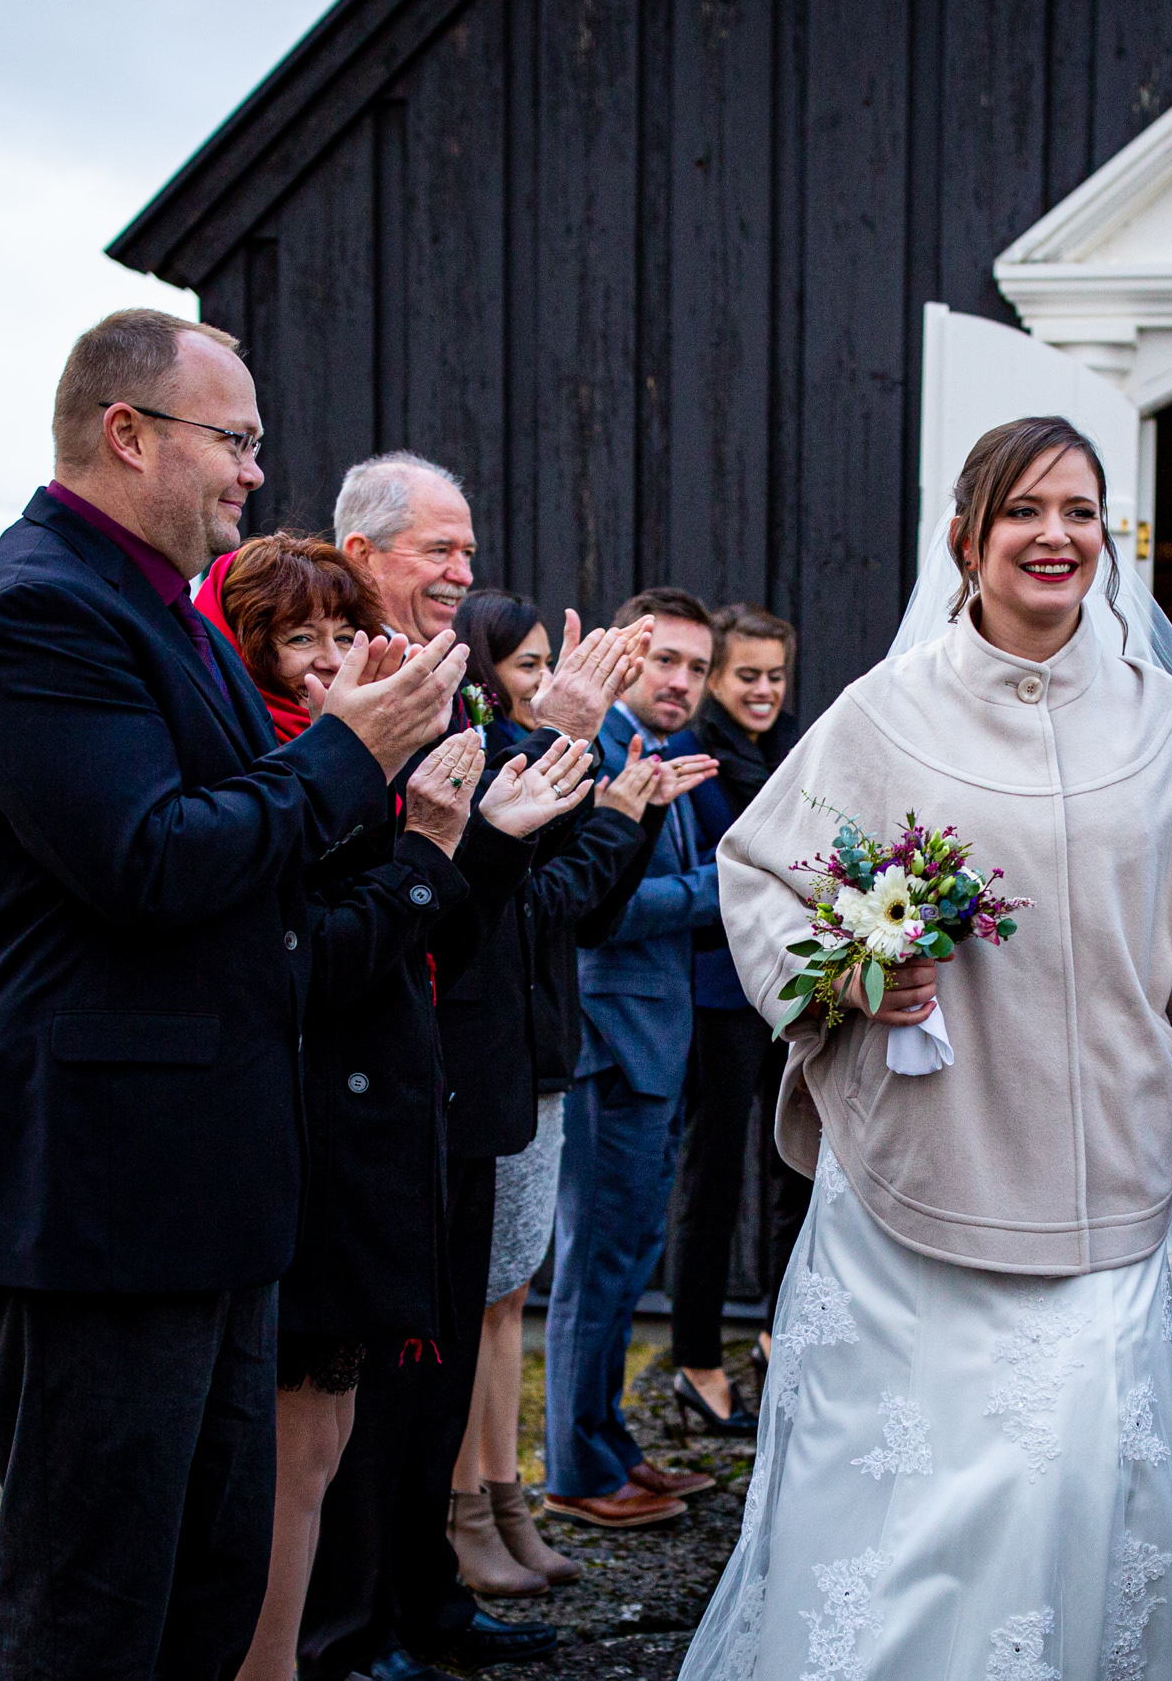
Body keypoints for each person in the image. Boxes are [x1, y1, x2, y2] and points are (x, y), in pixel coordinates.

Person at [682, 415, 1172, 1681]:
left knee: (1081, 1479)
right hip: (917, 1175)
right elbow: (761, 875)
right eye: (1025, 511)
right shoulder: (882, 714)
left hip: (1107, 1179)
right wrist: (856, 978)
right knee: (906, 1498)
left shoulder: (1168, 731)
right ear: (966, 540)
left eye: (1080, 512)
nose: (1056, 535)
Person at [0, 308, 461, 1678]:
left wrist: (409, 793)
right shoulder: (37, 608)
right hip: (102, 1202)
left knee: (208, 1592)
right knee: (96, 1613)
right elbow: (150, 861)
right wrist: (352, 752)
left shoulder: (160, 607)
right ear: (128, 434)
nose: (252, 474)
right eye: (234, 441)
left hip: (217, 1191)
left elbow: (263, 863)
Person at [197, 532, 600, 1681]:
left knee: (324, 1449)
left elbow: (428, 934)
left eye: (340, 637)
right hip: (309, 1138)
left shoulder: (356, 761)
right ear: (246, 651)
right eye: (296, 640)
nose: (324, 663)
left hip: (386, 1122)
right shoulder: (270, 768)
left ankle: (356, 1625)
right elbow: (322, 958)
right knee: (287, 1465)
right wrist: (436, 840)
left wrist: (487, 846)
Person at [439, 589, 689, 1596]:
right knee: (485, 1303)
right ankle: (466, 1513)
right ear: (483, 673)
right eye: (528, 665)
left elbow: (575, 913)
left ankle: (503, 1498)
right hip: (497, 1055)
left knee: (511, 1301)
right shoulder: (490, 765)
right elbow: (534, 903)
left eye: (552, 663)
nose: (546, 683)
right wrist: (615, 815)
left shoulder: (539, 761)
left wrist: (623, 816)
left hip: (542, 1047)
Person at [543, 588, 724, 1528]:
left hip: (654, 1041)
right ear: (628, 657)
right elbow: (598, 915)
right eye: (667, 662)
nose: (682, 682)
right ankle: (575, 1470)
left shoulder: (656, 753)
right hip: (608, 1045)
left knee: (627, 1260)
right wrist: (723, 885)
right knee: (596, 1265)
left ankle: (608, 1440)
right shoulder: (595, 751)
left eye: (698, 667)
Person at [674, 601, 811, 1429]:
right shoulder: (694, 755)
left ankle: (774, 1329)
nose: (762, 691)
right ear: (717, 679)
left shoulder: (793, 748)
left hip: (791, 990)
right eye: (746, 676)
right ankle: (694, 1357)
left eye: (774, 676)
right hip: (720, 995)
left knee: (796, 1163)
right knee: (715, 1176)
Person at [338, 450, 477, 643]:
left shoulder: (463, 667)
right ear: (360, 555)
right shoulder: (327, 668)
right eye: (439, 551)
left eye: (467, 553)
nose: (465, 577)